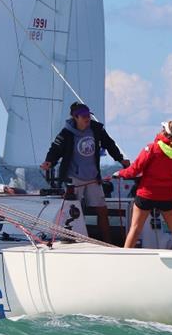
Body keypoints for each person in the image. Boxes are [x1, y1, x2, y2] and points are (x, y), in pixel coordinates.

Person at [41, 102, 129, 244]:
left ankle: (107, 243)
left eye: (88, 115)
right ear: (75, 117)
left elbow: (109, 144)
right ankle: (71, 240)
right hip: (74, 178)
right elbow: (55, 149)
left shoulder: (96, 129)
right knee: (73, 210)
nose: (87, 118)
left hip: (93, 177)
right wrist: (49, 162)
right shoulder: (66, 133)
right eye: (84, 116)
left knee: (102, 210)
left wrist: (120, 159)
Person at [115, 121, 172, 250]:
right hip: (167, 197)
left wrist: (120, 173)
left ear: (164, 133)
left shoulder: (152, 148)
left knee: (135, 229)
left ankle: (125, 257)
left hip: (147, 194)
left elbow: (134, 170)